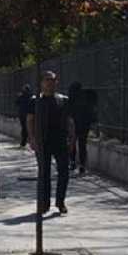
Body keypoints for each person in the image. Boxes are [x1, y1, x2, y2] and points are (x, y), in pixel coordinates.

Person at [27, 71, 74, 215]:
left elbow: (70, 121)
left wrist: (73, 139)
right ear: (41, 82)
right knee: (44, 174)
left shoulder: (63, 100)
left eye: (52, 80)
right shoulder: (35, 101)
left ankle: (60, 202)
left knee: (64, 173)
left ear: (56, 82)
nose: (50, 83)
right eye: (47, 80)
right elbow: (29, 120)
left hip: (60, 141)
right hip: (43, 141)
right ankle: (44, 204)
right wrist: (32, 138)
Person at [68, 82, 96, 175]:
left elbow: (69, 111)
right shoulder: (86, 96)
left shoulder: (72, 97)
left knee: (72, 143)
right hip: (84, 124)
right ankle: (82, 165)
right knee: (82, 144)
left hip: (74, 123)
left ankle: (72, 162)